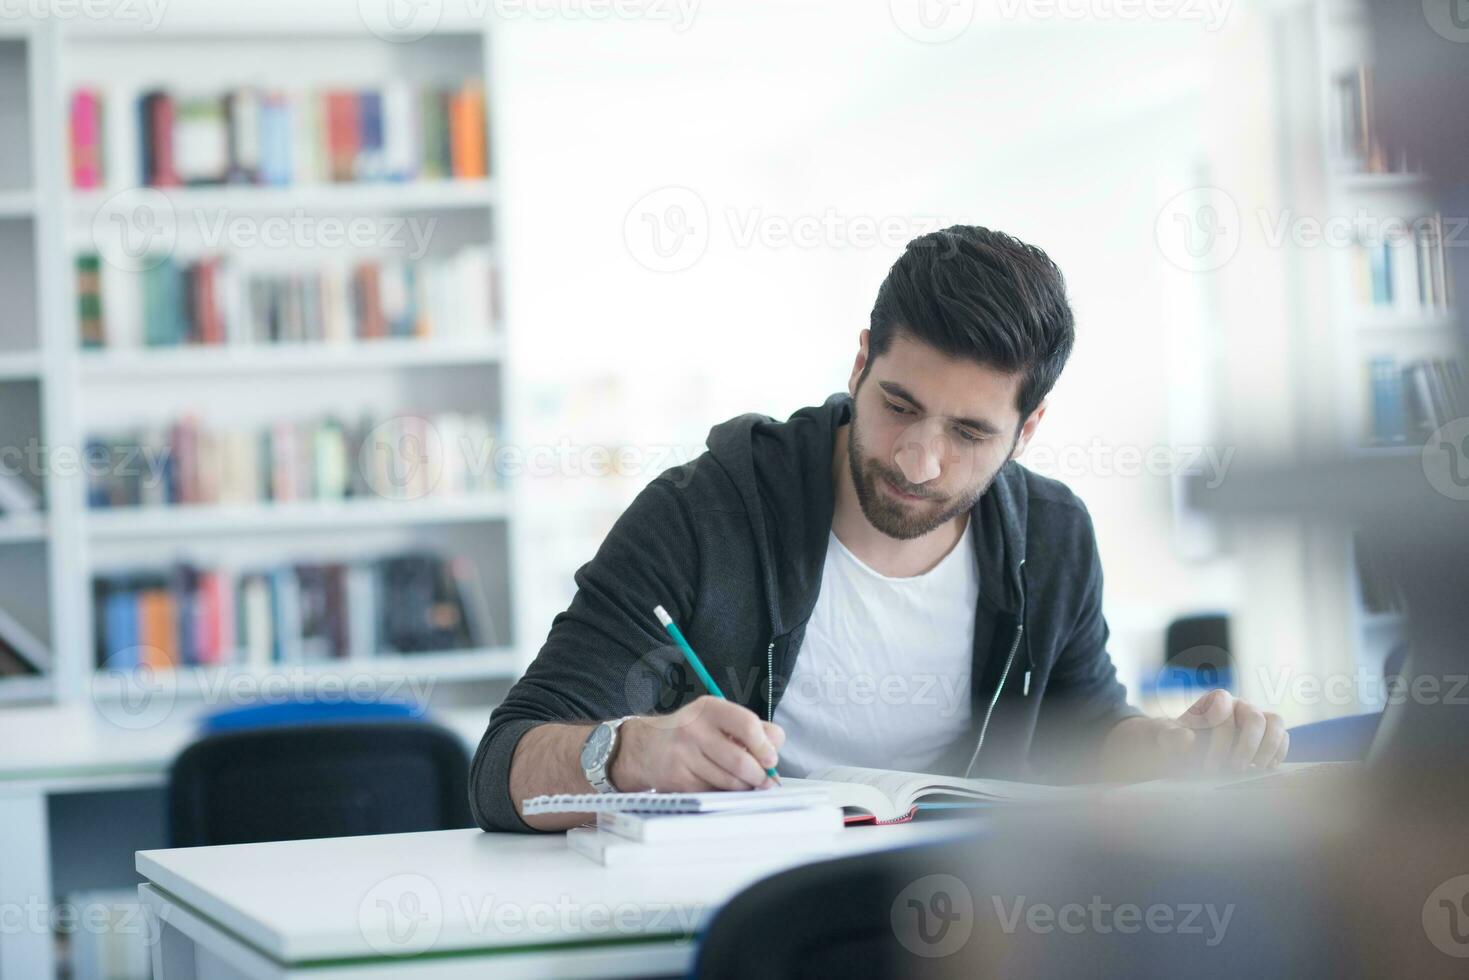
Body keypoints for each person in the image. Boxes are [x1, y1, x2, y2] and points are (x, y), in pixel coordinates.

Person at [470, 225, 1288, 832]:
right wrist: (624, 754)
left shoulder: (1053, 537)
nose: (919, 461)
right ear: (859, 363)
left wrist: (1170, 750)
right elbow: (500, 767)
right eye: (899, 405)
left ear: (1027, 429)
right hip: (747, 915)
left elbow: (1086, 727)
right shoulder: (700, 515)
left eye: (969, 434)